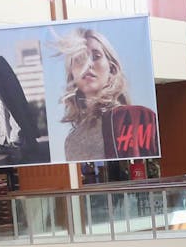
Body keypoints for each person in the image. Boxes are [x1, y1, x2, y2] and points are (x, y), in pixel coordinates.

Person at [53, 28, 154, 162]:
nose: (88, 65)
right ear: (72, 73)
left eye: (96, 56)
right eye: (79, 59)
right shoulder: (71, 141)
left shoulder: (138, 116)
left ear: (111, 68)